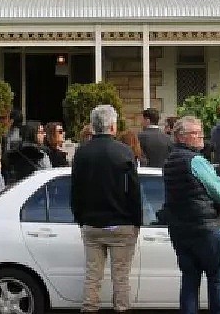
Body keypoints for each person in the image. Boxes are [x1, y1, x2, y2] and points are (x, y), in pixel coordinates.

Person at [70, 105, 142, 313]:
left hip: (92, 222)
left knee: (93, 275)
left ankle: (90, 308)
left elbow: (75, 189)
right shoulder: (124, 152)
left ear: (93, 127)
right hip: (121, 223)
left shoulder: (82, 153)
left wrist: (80, 217)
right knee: (121, 277)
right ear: (113, 126)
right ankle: (121, 308)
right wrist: (137, 221)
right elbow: (134, 192)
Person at [161, 116, 220, 314]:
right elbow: (219, 191)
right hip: (204, 228)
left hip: (180, 229)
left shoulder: (169, 161)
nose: (201, 136)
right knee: (217, 278)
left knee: (190, 280)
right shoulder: (195, 160)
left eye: (200, 132)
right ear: (181, 137)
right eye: (195, 133)